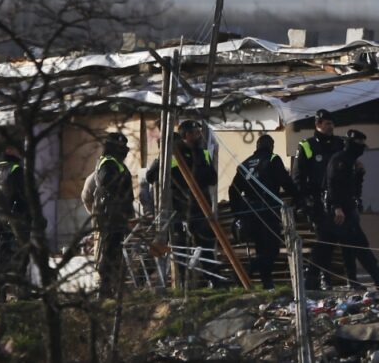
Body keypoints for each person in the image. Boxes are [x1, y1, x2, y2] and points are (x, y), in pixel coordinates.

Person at [147, 119, 219, 287]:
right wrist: (164, 160)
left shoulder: (202, 153)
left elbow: (212, 178)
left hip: (201, 207)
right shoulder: (172, 155)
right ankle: (184, 284)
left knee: (206, 244)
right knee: (181, 248)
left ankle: (213, 280)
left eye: (199, 132)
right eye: (195, 133)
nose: (199, 135)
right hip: (180, 209)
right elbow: (151, 176)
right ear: (185, 135)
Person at [324, 130, 379, 289]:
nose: (362, 149)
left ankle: (354, 281)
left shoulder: (352, 162)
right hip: (340, 211)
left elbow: (353, 188)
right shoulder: (340, 160)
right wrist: (337, 207)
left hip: (349, 209)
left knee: (349, 248)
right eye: (359, 144)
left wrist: (359, 176)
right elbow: (332, 185)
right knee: (359, 244)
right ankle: (378, 278)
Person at [230, 134, 298, 290]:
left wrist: (237, 214)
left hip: (249, 212)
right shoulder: (273, 159)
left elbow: (233, 190)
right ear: (271, 146)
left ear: (257, 146)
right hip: (268, 211)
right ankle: (247, 271)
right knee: (272, 248)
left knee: (261, 248)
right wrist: (298, 197)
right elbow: (285, 182)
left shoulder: (245, 164)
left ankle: (267, 282)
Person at [291, 109, 344, 289]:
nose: (331, 127)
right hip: (317, 201)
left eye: (332, 123)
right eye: (327, 124)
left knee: (334, 240)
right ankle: (317, 278)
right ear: (318, 124)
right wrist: (304, 200)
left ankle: (320, 278)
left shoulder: (339, 143)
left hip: (338, 200)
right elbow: (298, 176)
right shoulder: (307, 145)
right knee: (324, 239)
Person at [93, 133, 134, 299]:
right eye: (121, 146)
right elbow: (107, 182)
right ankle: (104, 288)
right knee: (109, 251)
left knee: (116, 251)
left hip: (118, 214)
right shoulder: (108, 162)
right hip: (110, 214)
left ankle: (113, 288)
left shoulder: (116, 162)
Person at [0, 143, 31, 303]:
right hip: (17, 217)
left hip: (1, 215)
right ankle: (20, 291)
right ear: (9, 149)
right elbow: (23, 195)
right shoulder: (16, 169)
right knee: (21, 254)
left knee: (2, 255)